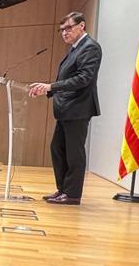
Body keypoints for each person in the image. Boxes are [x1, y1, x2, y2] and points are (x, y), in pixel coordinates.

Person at [30, 11, 103, 204]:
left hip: (78, 109)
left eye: (68, 28)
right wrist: (47, 90)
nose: (64, 32)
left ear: (82, 26)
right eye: (61, 29)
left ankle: (72, 195)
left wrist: (51, 87)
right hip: (66, 109)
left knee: (74, 152)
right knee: (58, 149)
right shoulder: (75, 49)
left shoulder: (90, 48)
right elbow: (66, 78)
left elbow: (83, 79)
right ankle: (63, 189)